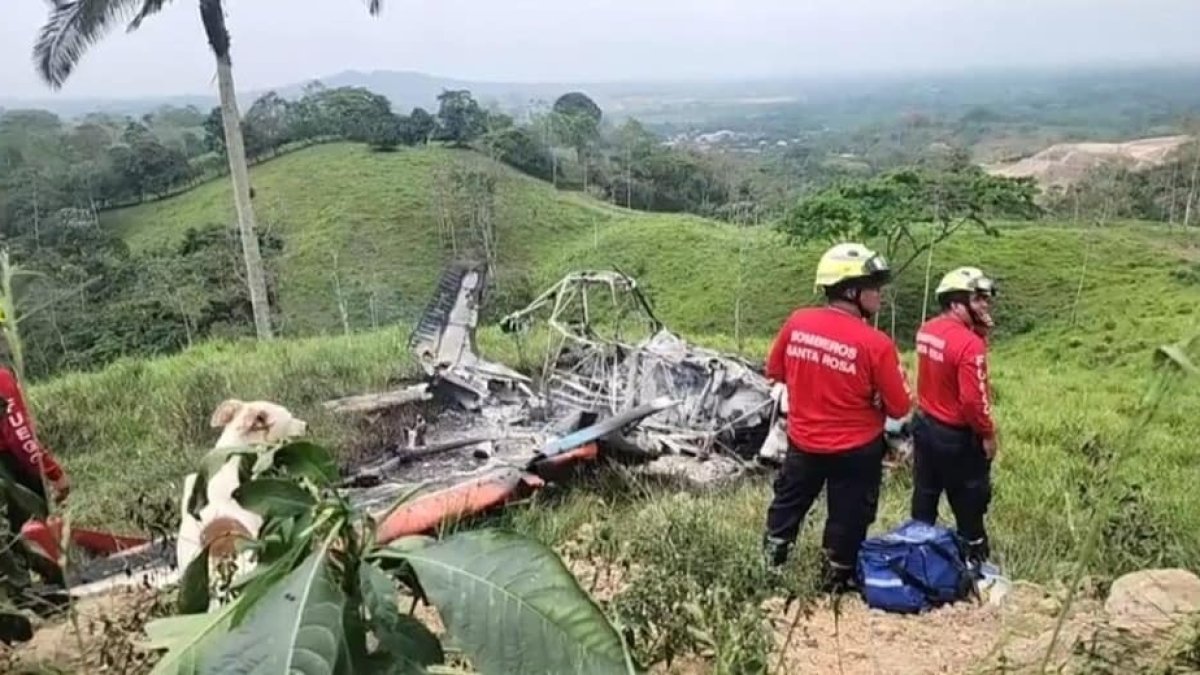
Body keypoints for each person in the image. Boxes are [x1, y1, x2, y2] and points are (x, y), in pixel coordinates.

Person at [762, 243, 913, 592]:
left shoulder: (797, 322)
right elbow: (899, 408)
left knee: (787, 507)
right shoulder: (876, 344)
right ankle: (834, 582)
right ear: (852, 291)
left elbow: (775, 370)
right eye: (874, 287)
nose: (880, 295)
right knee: (848, 517)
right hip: (855, 450)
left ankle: (769, 567)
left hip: (803, 442)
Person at [910, 266, 998, 568]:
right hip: (957, 437)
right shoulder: (969, 344)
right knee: (970, 502)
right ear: (956, 303)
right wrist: (987, 434)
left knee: (925, 495)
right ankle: (974, 563)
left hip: (924, 424)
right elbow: (974, 399)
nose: (985, 304)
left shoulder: (927, 330)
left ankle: (918, 556)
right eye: (977, 299)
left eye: (986, 298)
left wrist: (979, 333)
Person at [0, 360, 70, 642]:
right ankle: (21, 594)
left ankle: (30, 581)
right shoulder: (1, 379)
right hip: (8, 464)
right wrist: (53, 473)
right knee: (16, 521)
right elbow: (19, 436)